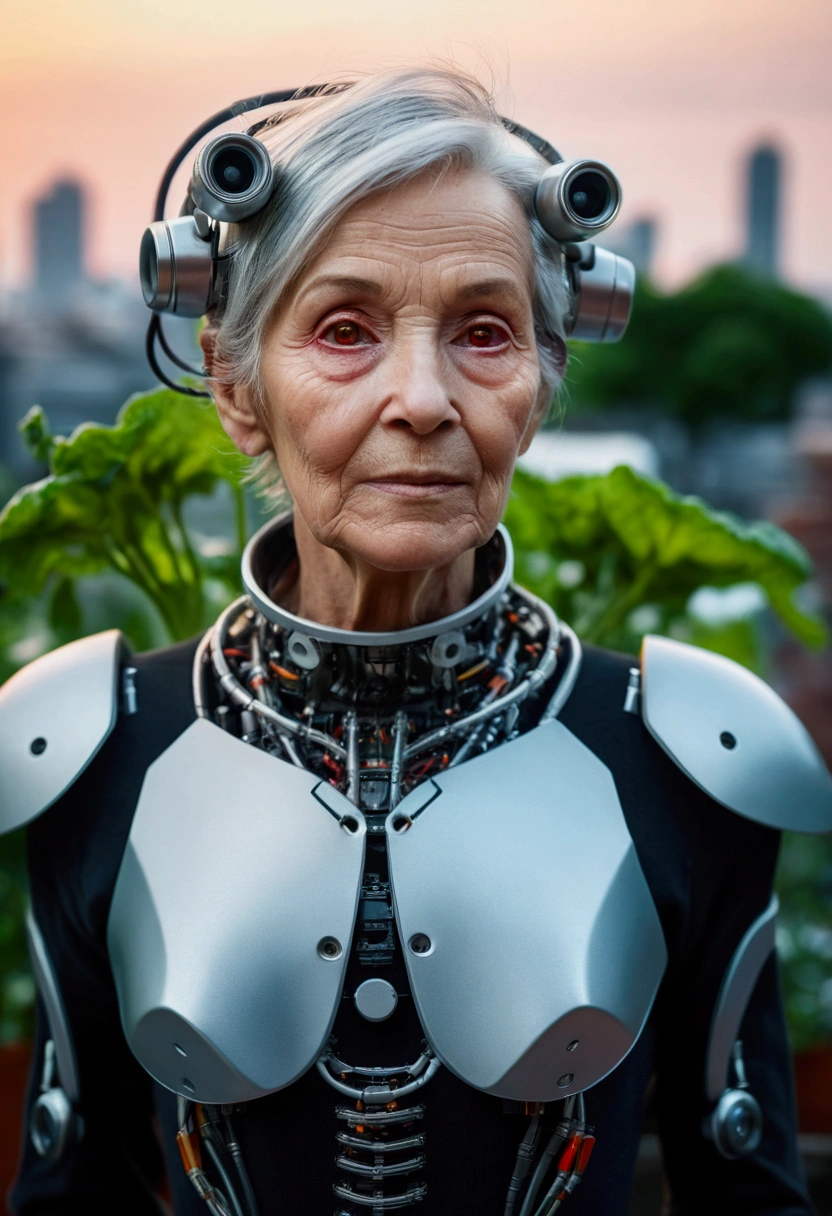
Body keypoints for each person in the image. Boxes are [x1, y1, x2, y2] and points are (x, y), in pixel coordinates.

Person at [2, 66, 831, 1216]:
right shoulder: (99, 753)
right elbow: (73, 1185)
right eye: (344, 330)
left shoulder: (683, 758)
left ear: (543, 384)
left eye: (485, 333)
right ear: (237, 386)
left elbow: (749, 1194)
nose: (423, 399)